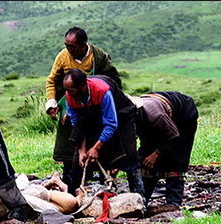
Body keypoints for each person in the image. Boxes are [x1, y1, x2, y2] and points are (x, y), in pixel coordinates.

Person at [45, 26, 122, 191]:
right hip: (71, 106)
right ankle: (72, 183)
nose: (68, 49)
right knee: (71, 142)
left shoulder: (98, 57)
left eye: (71, 46)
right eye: (66, 45)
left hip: (97, 105)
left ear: (82, 45)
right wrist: (52, 102)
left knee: (101, 141)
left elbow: (113, 79)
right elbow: (52, 80)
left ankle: (104, 183)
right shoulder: (62, 57)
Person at [63, 68, 145, 202]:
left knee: (128, 155)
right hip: (92, 117)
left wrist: (96, 147)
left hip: (121, 116)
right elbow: (77, 124)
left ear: (83, 86)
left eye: (71, 90)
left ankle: (140, 199)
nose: (68, 93)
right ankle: (74, 201)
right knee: (78, 161)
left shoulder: (102, 92)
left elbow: (111, 123)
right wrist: (82, 150)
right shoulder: (70, 97)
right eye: (67, 90)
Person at [129, 92, 199, 207]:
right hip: (159, 116)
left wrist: (156, 154)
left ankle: (174, 203)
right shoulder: (128, 117)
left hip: (183, 116)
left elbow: (173, 136)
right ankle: (142, 199)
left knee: (176, 157)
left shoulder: (156, 116)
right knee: (145, 156)